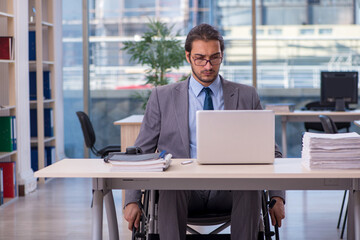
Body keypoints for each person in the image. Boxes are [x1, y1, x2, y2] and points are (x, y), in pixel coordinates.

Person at [124, 23, 285, 240]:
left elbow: (270, 152)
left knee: (250, 186)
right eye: (200, 58)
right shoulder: (162, 97)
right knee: (170, 185)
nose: (208, 66)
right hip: (181, 191)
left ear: (222, 56)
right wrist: (132, 199)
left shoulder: (246, 96)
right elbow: (141, 151)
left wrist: (278, 197)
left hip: (230, 189)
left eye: (214, 57)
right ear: (188, 57)